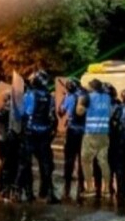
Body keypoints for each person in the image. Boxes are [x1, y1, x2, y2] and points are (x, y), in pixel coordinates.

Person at [15, 70, 60, 204]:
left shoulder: (29, 95)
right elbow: (52, 116)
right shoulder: (49, 97)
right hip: (44, 134)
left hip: (30, 134)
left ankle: (17, 192)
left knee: (24, 164)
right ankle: (49, 193)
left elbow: (21, 114)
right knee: (46, 165)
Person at [80, 79, 111, 200]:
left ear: (92, 87)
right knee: (103, 161)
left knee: (86, 160)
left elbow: (79, 112)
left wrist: (79, 103)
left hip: (91, 133)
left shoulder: (88, 97)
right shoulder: (107, 97)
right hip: (104, 133)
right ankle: (107, 189)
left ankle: (90, 188)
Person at [59, 78, 88, 201]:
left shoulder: (69, 97)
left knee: (69, 159)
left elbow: (61, 112)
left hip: (72, 131)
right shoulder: (86, 98)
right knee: (82, 159)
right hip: (84, 132)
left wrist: (63, 99)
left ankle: (67, 188)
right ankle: (81, 186)